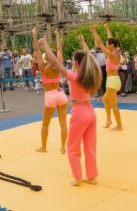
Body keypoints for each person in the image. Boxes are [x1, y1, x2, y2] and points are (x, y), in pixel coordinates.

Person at [39, 35, 102, 186]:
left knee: (72, 147)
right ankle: (91, 176)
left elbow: (55, 62)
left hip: (79, 112)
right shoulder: (88, 74)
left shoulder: (75, 76)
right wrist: (83, 43)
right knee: (90, 146)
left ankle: (78, 177)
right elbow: (88, 56)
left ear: (77, 62)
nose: (72, 62)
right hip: (90, 111)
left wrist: (45, 44)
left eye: (73, 60)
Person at [32, 28, 68, 154]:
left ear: (46, 57)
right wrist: (57, 36)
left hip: (50, 96)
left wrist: (35, 36)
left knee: (45, 124)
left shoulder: (43, 67)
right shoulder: (59, 65)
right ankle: (63, 148)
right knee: (63, 124)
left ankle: (44, 147)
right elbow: (59, 50)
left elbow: (37, 50)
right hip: (61, 95)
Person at [91, 23, 123, 131]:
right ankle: (109, 120)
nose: (106, 45)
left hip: (112, 81)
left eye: (107, 44)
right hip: (115, 80)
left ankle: (119, 126)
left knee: (114, 105)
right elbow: (110, 39)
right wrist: (107, 29)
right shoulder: (116, 52)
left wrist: (94, 32)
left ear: (112, 45)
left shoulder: (110, 54)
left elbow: (99, 43)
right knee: (105, 99)